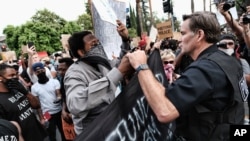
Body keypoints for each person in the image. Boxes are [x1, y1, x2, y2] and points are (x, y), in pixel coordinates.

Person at [126, 11, 247, 140]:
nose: (180, 39)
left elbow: (165, 111)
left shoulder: (205, 69)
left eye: (183, 33)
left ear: (199, 35)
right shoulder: (229, 60)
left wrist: (141, 66)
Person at [64, 20, 133, 135]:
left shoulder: (101, 63)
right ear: (81, 52)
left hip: (113, 126)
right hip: (94, 133)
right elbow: (75, 103)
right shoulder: (74, 73)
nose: (99, 46)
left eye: (99, 43)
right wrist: (113, 77)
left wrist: (125, 40)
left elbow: (121, 64)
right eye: (94, 45)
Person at [0, 64, 48, 141]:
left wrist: (25, 92)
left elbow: (36, 105)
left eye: (16, 74)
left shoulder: (17, 89)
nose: (15, 77)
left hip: (38, 134)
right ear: (0, 78)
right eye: (11, 75)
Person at [31, 62, 65, 141]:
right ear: (35, 73)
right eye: (38, 72)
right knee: (51, 133)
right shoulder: (34, 87)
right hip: (47, 113)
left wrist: (59, 98)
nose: (40, 72)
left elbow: (58, 93)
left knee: (63, 131)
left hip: (59, 111)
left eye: (42, 70)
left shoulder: (54, 82)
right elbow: (38, 104)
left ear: (45, 70)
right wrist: (41, 118)